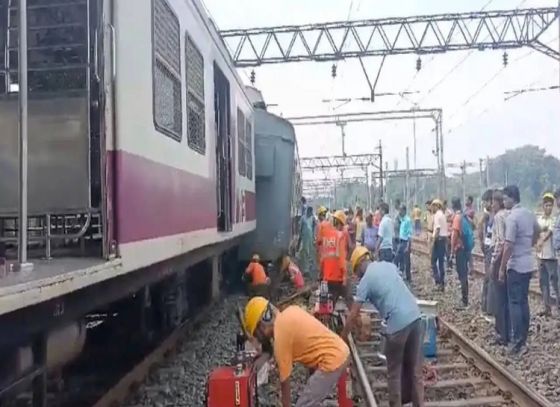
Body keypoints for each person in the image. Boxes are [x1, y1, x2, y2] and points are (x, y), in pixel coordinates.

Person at [342, 247, 425, 407]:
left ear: (359, 267)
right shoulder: (388, 265)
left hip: (397, 325)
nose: (358, 276)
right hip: (416, 317)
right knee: (416, 372)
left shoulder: (365, 281)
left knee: (394, 372)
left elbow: (353, 314)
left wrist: (343, 337)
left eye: (356, 272)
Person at [243, 297, 350, 407]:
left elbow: (285, 382)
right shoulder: (291, 311)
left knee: (303, 404)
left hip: (332, 362)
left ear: (261, 325)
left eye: (257, 334)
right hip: (340, 350)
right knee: (311, 395)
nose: (260, 338)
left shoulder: (281, 337)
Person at [499, 185, 539, 355]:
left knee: (514, 303)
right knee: (523, 301)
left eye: (504, 198)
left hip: (515, 266)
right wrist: (528, 245)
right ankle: (523, 340)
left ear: (512, 198)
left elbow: (508, 246)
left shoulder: (512, 218)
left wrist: (502, 268)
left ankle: (517, 343)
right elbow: (537, 231)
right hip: (528, 263)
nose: (503, 201)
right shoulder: (529, 214)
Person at [490, 189, 510, 345]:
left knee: (499, 298)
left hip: (500, 260)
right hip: (510, 260)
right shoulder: (510, 214)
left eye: (493, 202)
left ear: (498, 202)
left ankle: (501, 334)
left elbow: (501, 241)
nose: (491, 205)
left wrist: (493, 262)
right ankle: (508, 332)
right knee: (507, 298)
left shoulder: (498, 217)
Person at [319, 210, 349, 307]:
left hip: (327, 276)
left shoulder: (326, 236)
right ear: (339, 223)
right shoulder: (340, 236)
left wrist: (321, 273)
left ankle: (325, 320)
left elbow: (322, 257)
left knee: (328, 303)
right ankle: (355, 319)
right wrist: (344, 276)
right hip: (338, 276)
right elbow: (341, 258)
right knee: (349, 300)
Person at [536, 193, 558, 316]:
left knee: (555, 282)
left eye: (550, 205)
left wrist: (540, 241)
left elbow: (549, 232)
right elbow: (536, 232)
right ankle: (547, 307)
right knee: (542, 282)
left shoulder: (554, 219)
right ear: (543, 206)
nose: (548, 208)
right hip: (541, 256)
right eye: (546, 205)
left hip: (551, 256)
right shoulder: (539, 219)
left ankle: (558, 307)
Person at [451, 198, 471, 308]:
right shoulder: (464, 216)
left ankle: (464, 301)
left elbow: (454, 236)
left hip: (460, 250)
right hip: (466, 248)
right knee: (464, 274)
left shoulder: (457, 218)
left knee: (462, 275)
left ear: (453, 206)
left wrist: (451, 252)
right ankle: (465, 299)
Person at [478, 189, 495, 315]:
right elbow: (479, 225)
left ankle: (487, 305)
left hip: (490, 246)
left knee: (489, 277)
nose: (484, 204)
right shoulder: (488, 214)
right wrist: (482, 242)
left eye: (485, 202)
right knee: (489, 277)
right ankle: (487, 306)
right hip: (490, 247)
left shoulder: (491, 214)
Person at [431, 199, 448, 291]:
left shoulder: (437, 215)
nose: (432, 207)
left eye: (433, 205)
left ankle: (438, 281)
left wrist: (433, 241)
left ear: (437, 206)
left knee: (433, 261)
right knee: (441, 262)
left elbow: (437, 229)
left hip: (438, 239)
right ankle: (442, 283)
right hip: (443, 239)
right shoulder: (443, 214)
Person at [298, 206, 317, 279]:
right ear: (307, 211)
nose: (310, 213)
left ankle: (309, 270)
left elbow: (315, 226)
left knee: (310, 254)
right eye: (309, 212)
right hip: (304, 238)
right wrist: (299, 239)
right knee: (304, 253)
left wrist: (314, 236)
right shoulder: (303, 218)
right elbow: (300, 229)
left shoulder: (312, 218)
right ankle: (305, 270)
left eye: (311, 212)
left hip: (310, 239)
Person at [396, 204, 413, 282]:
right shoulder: (402, 219)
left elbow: (409, 234)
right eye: (399, 210)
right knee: (399, 258)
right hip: (401, 241)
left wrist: (408, 246)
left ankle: (408, 277)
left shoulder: (407, 220)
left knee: (406, 261)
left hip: (405, 242)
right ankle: (401, 274)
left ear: (404, 211)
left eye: (401, 210)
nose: (399, 212)